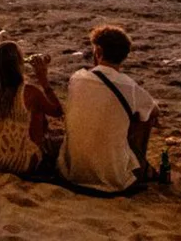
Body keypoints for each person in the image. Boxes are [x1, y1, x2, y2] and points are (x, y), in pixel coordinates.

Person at [58, 25, 159, 193]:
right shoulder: (129, 87)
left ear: (98, 51)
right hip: (112, 179)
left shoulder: (77, 78)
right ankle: (138, 165)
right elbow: (154, 110)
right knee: (146, 116)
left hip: (72, 171)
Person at [0, 42, 63, 176]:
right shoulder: (29, 92)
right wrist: (43, 80)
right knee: (39, 114)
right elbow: (57, 111)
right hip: (21, 162)